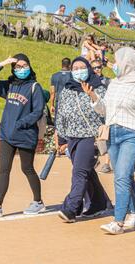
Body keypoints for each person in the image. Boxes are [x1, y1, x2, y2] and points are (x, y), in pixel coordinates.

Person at [85, 47, 135, 235]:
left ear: (129, 64)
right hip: (113, 134)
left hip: (132, 135)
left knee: (120, 177)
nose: (115, 65)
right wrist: (94, 97)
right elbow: (105, 110)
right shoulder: (115, 83)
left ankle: (118, 221)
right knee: (124, 175)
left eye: (118, 62)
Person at [0, 54, 46, 218]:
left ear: (29, 67)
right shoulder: (10, 85)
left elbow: (38, 111)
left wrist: (21, 123)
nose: (21, 69)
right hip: (7, 135)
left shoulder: (34, 87)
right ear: (13, 68)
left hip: (25, 135)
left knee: (27, 168)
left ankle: (38, 202)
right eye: (17, 66)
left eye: (24, 66)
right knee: (3, 170)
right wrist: (1, 64)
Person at [55, 57, 113, 223]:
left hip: (90, 137)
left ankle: (71, 208)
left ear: (88, 69)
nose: (78, 70)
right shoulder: (67, 90)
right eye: (75, 67)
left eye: (82, 67)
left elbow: (105, 112)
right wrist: (60, 138)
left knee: (79, 172)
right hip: (71, 137)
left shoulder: (99, 88)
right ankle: (99, 203)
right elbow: (61, 115)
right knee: (87, 171)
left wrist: (92, 95)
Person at [90, 59, 112, 174]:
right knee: (94, 140)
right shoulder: (88, 82)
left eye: (98, 67)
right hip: (92, 116)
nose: (97, 70)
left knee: (105, 139)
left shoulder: (107, 81)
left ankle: (107, 163)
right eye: (94, 68)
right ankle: (95, 160)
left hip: (105, 114)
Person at [50, 57, 71, 154]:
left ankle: (57, 147)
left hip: (58, 103)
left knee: (57, 126)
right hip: (69, 103)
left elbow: (52, 92)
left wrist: (52, 105)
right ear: (70, 65)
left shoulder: (54, 76)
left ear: (61, 64)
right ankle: (67, 146)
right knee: (69, 124)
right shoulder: (72, 75)